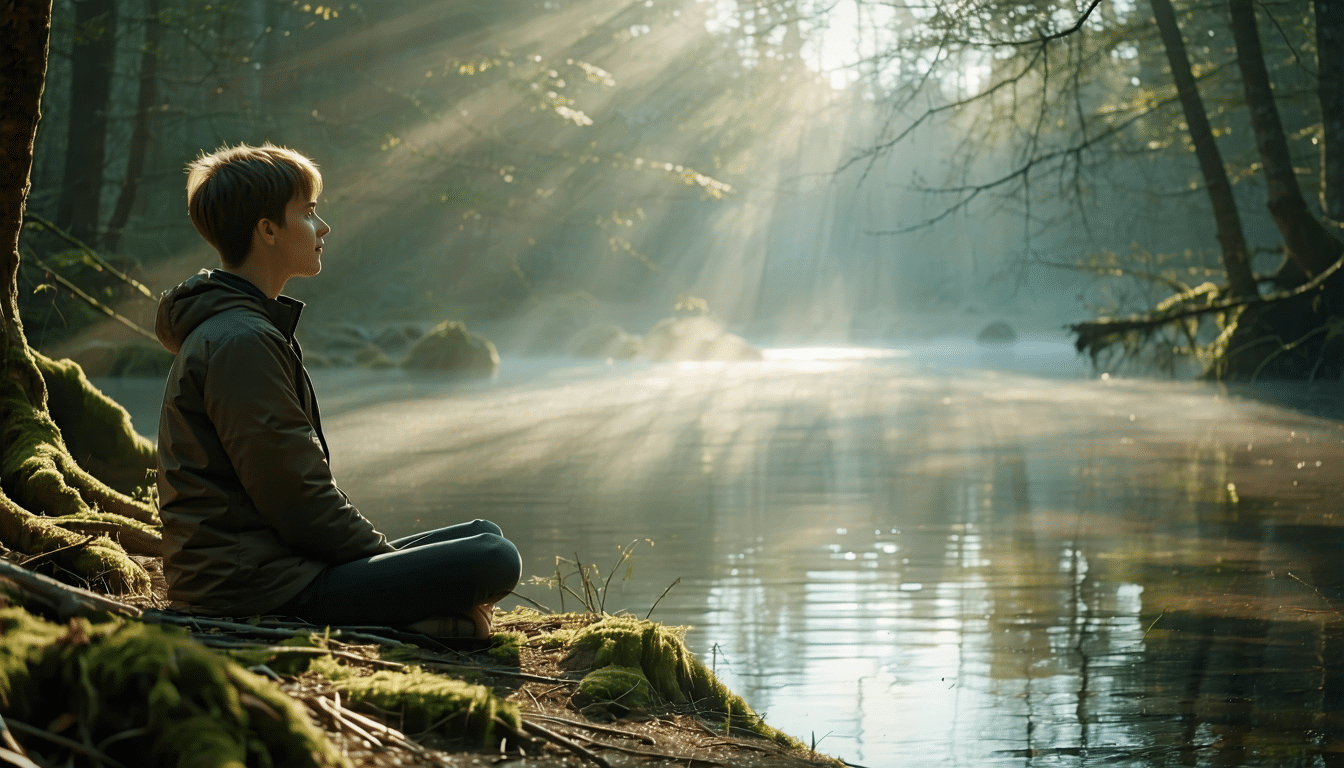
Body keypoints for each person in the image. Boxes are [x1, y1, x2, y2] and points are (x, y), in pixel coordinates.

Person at [155, 143, 520, 639]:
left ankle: (431, 620)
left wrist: (400, 576)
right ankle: (423, 622)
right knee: (494, 559)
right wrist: (400, 576)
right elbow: (298, 499)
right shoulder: (240, 342)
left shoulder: (244, 329)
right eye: (307, 213)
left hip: (279, 568)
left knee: (483, 536)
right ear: (267, 230)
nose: (322, 227)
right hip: (254, 589)